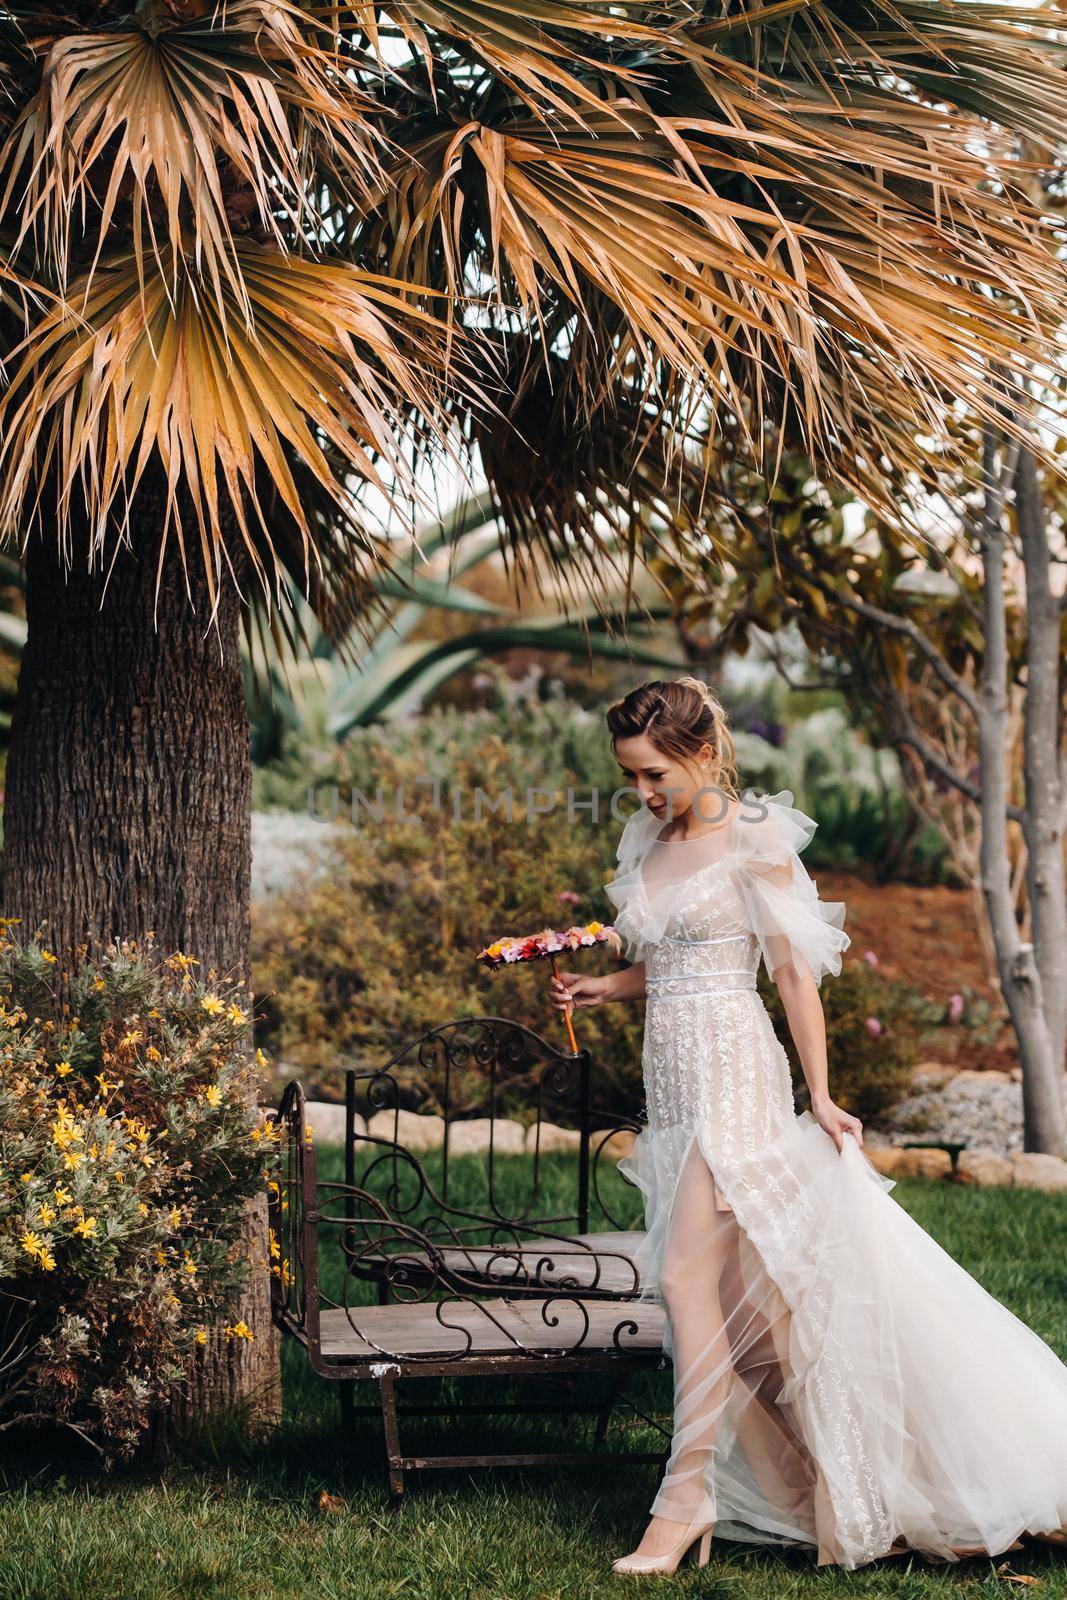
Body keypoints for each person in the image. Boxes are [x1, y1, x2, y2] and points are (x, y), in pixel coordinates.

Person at [549, 676, 1067, 1576]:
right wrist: (606, 985)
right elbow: (677, 957)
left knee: (680, 1278)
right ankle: (853, 1473)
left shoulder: (755, 840)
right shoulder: (651, 837)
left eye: (652, 774)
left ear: (701, 752)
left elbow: (788, 976)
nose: (641, 793)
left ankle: (684, 1500)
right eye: (629, 776)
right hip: (671, 1082)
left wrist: (819, 1096)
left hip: (733, 1077)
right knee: (749, 1320)